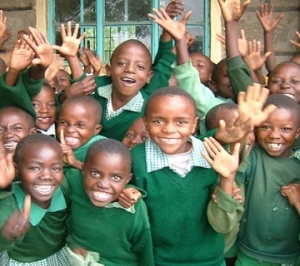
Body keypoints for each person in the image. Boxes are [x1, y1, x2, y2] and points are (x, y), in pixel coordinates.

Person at [54, 20, 176, 141]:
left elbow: (164, 65)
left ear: (149, 76)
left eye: (140, 67)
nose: (129, 69)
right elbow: (80, 89)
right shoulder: (97, 87)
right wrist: (72, 57)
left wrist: (178, 42)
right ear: (109, 70)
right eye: (122, 63)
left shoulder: (148, 106)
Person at [65, 138, 154, 266]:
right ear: (83, 171)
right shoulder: (74, 181)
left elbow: (144, 249)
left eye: (116, 177)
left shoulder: (134, 207)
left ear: (128, 180)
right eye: (95, 173)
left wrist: (130, 190)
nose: (104, 184)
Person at [0, 134, 71, 265]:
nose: (46, 176)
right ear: (16, 169)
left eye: (55, 168)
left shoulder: (64, 188)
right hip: (25, 261)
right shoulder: (9, 202)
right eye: (34, 168)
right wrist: (6, 236)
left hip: (61, 255)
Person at [56, 95, 104, 172]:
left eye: (80, 125)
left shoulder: (102, 148)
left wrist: (74, 162)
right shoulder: (54, 145)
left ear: (96, 129)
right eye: (63, 123)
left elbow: (103, 177)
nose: (70, 130)